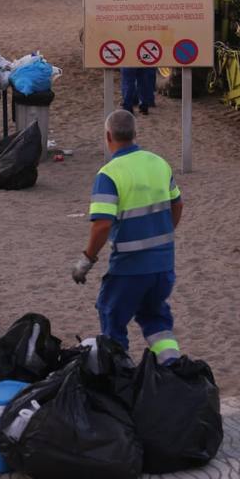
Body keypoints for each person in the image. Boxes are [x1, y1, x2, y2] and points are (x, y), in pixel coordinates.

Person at [71, 109, 183, 365]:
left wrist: (86, 260)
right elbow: (178, 205)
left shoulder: (109, 174)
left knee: (112, 317)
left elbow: (102, 225)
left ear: (108, 136)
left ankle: (119, 376)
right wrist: (162, 234)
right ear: (135, 134)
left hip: (130, 268)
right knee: (156, 319)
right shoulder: (159, 163)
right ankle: (172, 369)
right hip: (163, 266)